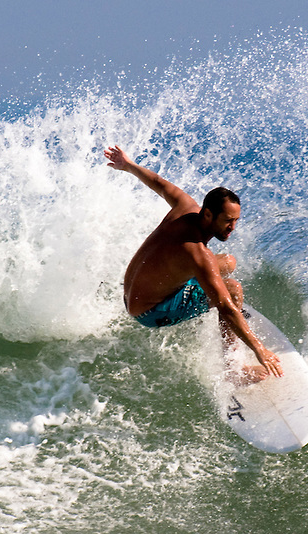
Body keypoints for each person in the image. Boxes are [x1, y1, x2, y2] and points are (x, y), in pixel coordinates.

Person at [104, 145, 283, 380]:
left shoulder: (186, 207)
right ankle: (234, 371)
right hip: (148, 311)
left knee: (228, 262)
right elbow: (227, 308)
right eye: (228, 221)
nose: (233, 228)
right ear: (208, 214)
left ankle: (199, 289)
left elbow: (158, 182)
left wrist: (128, 165)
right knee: (232, 290)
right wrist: (259, 350)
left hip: (132, 291)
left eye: (236, 220)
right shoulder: (198, 254)